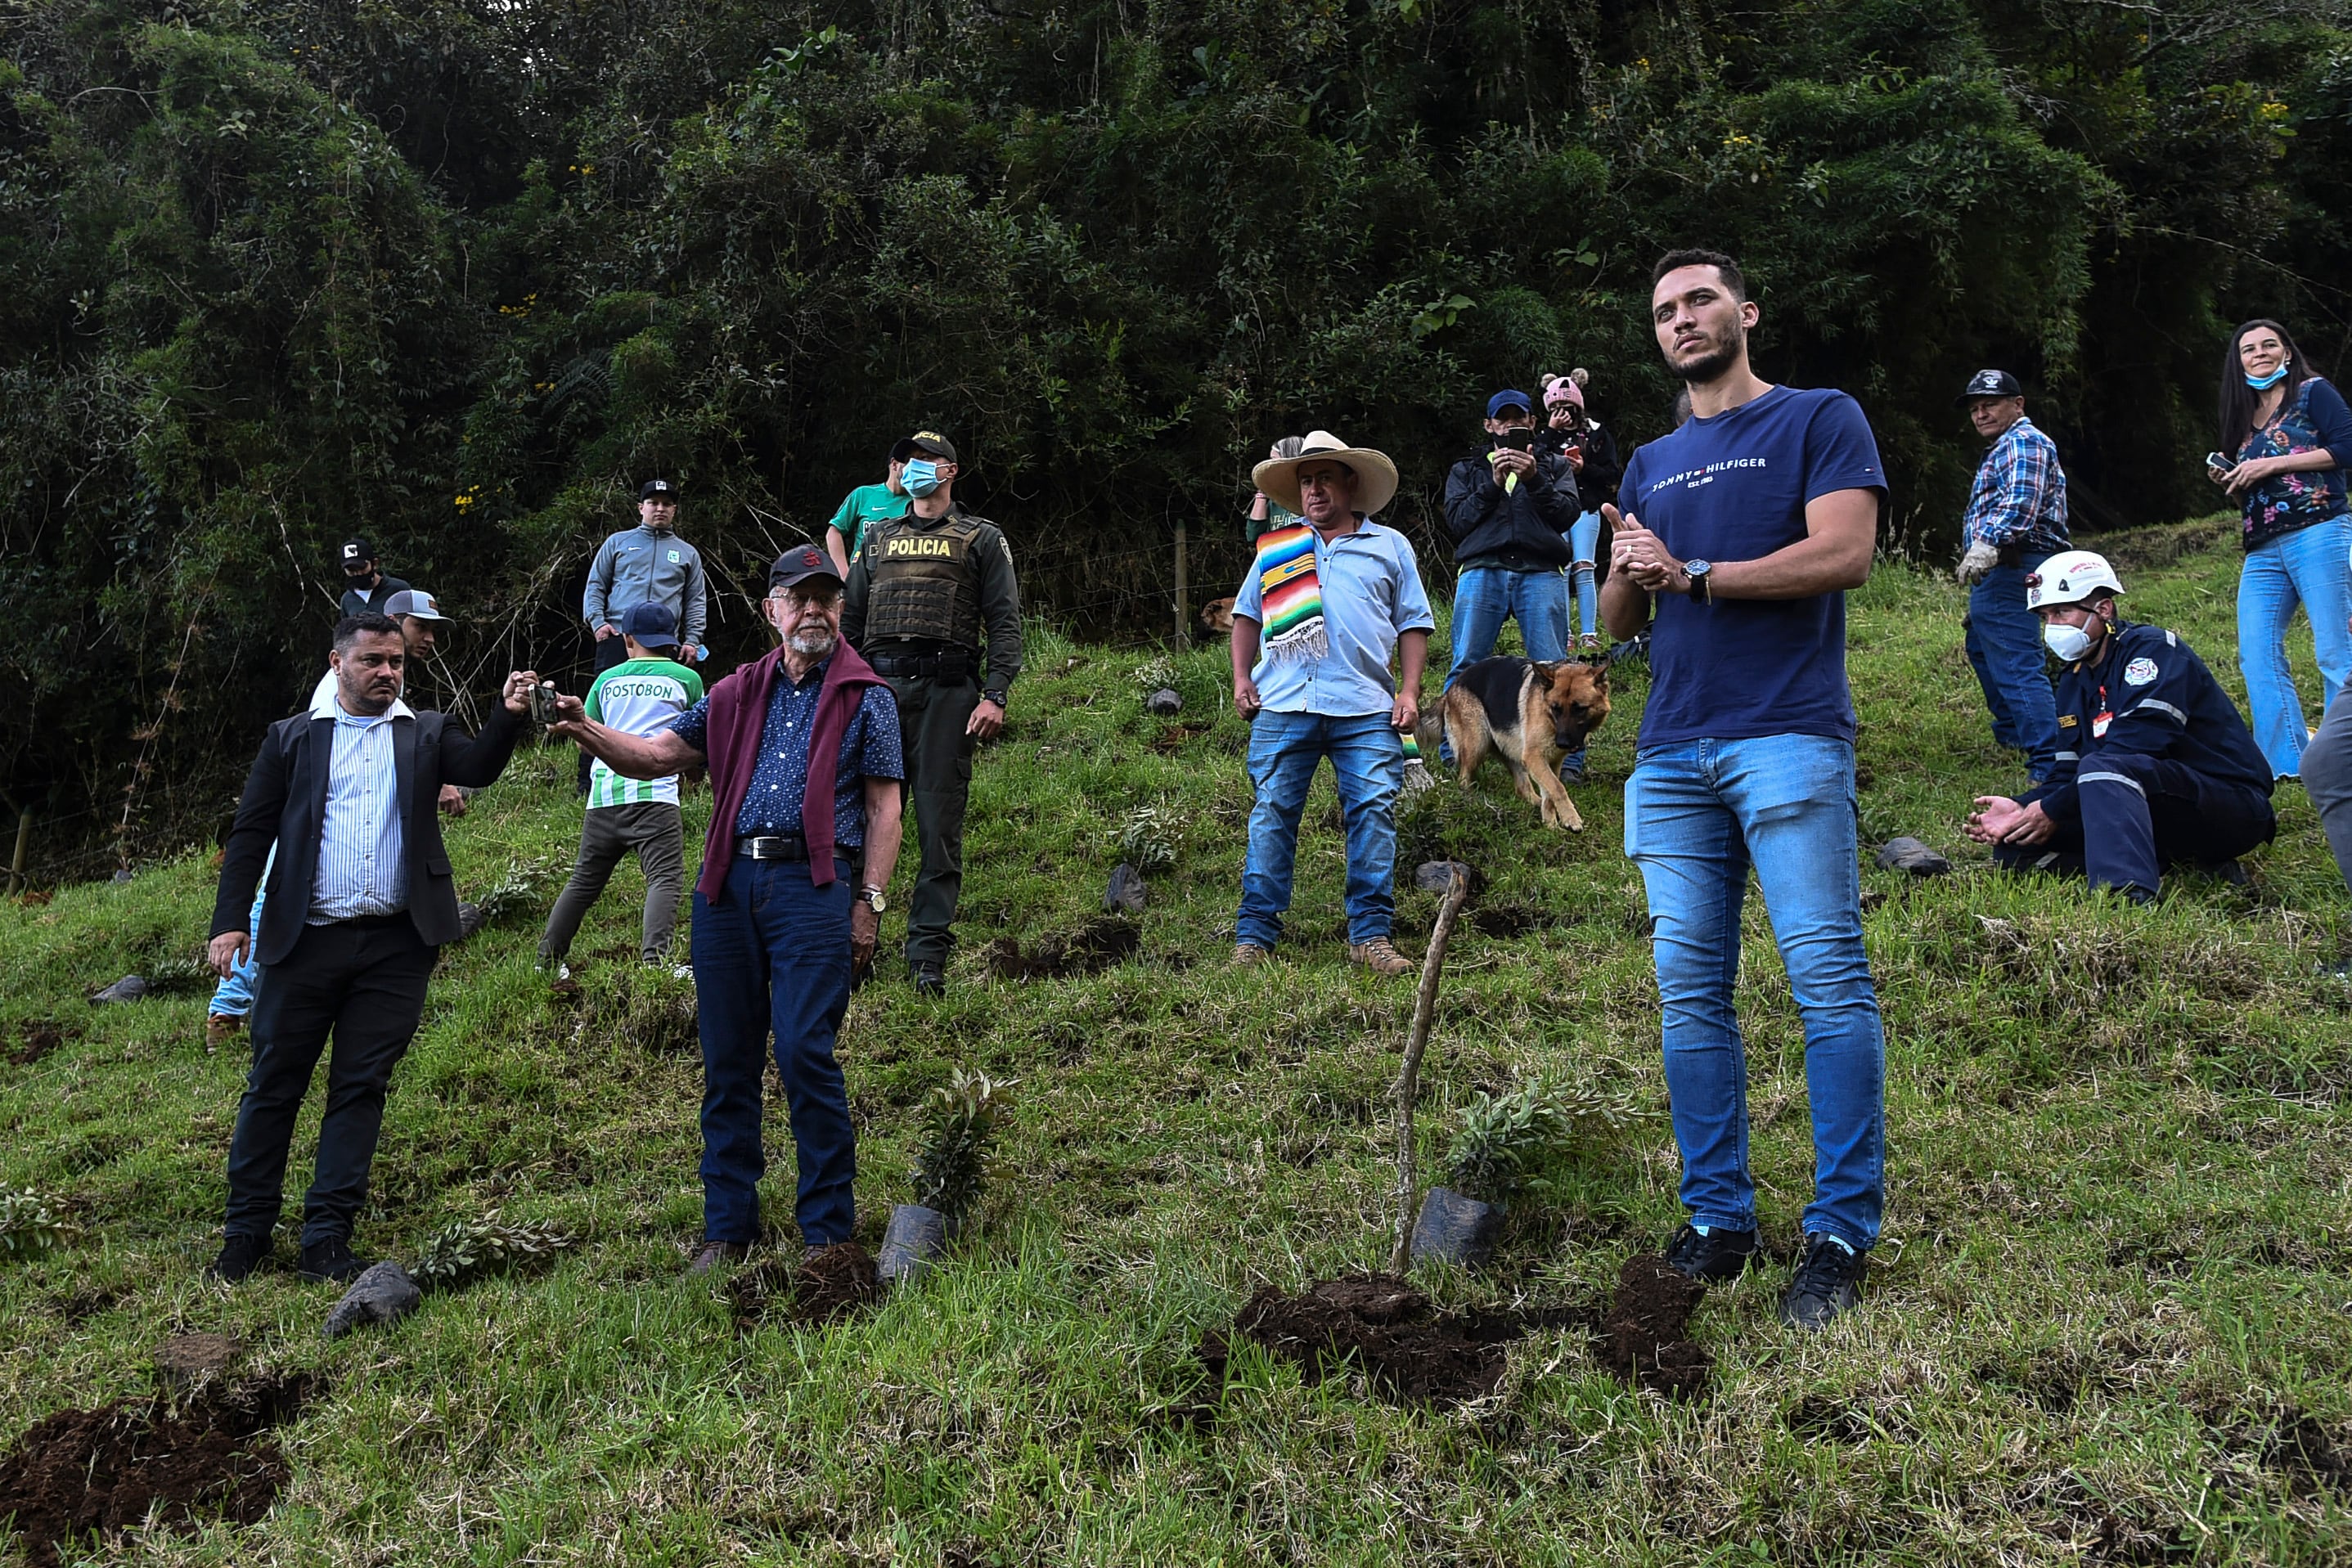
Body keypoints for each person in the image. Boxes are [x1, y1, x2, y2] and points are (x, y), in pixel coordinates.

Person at [1603, 248, 1887, 1329]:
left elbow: (1844, 553)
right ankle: (1717, 1218)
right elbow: (1620, 624)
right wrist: (1628, 563)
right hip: (1671, 748)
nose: (1681, 319)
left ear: (1743, 312)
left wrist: (1701, 575)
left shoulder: (1817, 419)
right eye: (1664, 308)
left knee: (1822, 976)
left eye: (1699, 300)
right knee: (1688, 992)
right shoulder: (1648, 458)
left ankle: (1837, 1230)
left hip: (1785, 735)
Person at [552, 545, 905, 1272]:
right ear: (772, 609)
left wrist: (868, 902)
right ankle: (727, 1230)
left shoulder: (867, 695)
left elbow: (883, 806)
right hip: (726, 890)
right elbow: (654, 756)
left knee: (805, 1050)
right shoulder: (733, 693)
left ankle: (827, 1236)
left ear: (841, 609)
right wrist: (586, 729)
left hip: (815, 888)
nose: (813, 610)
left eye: (826, 599)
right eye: (798, 598)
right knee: (728, 1060)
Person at [206, 613, 537, 1283]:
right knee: (273, 1086)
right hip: (302, 943)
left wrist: (505, 715)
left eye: (396, 662)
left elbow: (477, 765)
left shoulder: (426, 733)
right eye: (373, 661)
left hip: (395, 946)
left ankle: (326, 1235)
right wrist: (230, 920)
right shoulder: (292, 739)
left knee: (360, 1088)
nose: (387, 672)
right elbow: (250, 833)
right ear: (337, 663)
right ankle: (246, 1232)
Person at [211, 590, 467, 1049]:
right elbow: (321, 756)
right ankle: (228, 1003)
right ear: (391, 623)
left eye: (430, 632)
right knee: (274, 892)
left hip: (371, 891)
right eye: (421, 628)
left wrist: (437, 777)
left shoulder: (385, 677)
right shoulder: (343, 683)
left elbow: (400, 745)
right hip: (312, 817)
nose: (428, 639)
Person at [1230, 429, 1435, 976]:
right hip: (1283, 703)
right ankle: (1254, 937)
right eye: (1305, 481)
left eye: (1323, 477)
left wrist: (1409, 691)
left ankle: (1370, 935)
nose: (1314, 490)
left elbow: (1413, 621)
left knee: (1372, 813)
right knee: (1272, 814)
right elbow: (1246, 614)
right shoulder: (1279, 547)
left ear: (1351, 482)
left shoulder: (1389, 545)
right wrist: (1239, 680)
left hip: (1365, 706)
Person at [1965, 551, 2275, 901]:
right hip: (2135, 802)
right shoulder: (2073, 679)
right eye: (2045, 616)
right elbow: (2066, 772)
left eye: (2062, 611)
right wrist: (2023, 807)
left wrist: (2052, 808)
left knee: (2104, 767)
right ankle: (2180, 865)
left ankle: (2128, 896)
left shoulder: (2153, 651)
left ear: (2104, 609)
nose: (2052, 626)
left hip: (2227, 805)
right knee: (2015, 848)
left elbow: (2138, 745)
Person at [841, 430, 1022, 997]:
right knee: (863, 822)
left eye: (924, 462)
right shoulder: (876, 539)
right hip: (879, 692)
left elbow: (1005, 620)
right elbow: (849, 622)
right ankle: (849, 945)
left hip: (948, 692)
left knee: (937, 827)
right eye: (907, 461)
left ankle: (926, 957)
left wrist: (995, 693)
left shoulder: (980, 538)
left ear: (949, 472)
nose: (912, 470)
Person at [2210, 320, 2352, 780]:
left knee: (2335, 648)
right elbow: (2253, 487)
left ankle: (2342, 758)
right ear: (2240, 362)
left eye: (2270, 344)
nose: (2260, 353)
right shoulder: (2240, 415)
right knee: (2257, 651)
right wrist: (2234, 480)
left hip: (2321, 529)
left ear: (2287, 352)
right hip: (2263, 547)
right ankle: (2286, 763)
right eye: (2249, 349)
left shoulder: (2313, 393)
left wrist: (2274, 462)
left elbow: (2347, 447)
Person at [537, 603, 707, 976]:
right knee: (664, 878)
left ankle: (546, 963)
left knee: (583, 881)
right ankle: (654, 965)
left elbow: (585, 740)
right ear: (669, 640)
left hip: (604, 796)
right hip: (656, 795)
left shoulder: (607, 680)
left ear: (628, 640)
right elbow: (699, 737)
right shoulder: (686, 679)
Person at [1954, 369, 2071, 782]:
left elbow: (2022, 501)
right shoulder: (2005, 446)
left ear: (2018, 404)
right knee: (1983, 646)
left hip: (2016, 562)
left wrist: (1987, 544)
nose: (1981, 413)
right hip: (2008, 566)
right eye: (1976, 408)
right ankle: (2017, 735)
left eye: (1991, 404)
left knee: (2016, 659)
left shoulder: (2025, 441)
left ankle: (2049, 760)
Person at [585, 478, 708, 674]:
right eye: (653, 503)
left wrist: (692, 640)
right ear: (641, 508)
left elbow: (696, 601)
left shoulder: (688, 553)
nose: (660, 508)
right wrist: (598, 623)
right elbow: (596, 585)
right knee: (610, 701)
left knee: (660, 703)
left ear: (674, 510)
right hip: (620, 637)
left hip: (665, 641)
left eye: (666, 504)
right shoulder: (618, 542)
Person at [1540, 371, 1622, 653]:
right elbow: (1534, 460)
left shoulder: (1597, 433)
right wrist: (1550, 431)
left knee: (1584, 567)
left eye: (1567, 408)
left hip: (1586, 506)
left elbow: (1612, 472)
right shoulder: (1545, 436)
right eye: (1556, 409)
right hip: (1555, 507)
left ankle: (1589, 632)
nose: (1562, 414)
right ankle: (1564, 633)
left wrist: (1583, 468)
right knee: (1560, 569)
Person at [824, 447, 910, 578]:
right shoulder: (863, 494)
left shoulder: (920, 503)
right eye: (911, 465)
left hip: (899, 581)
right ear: (894, 464)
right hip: (861, 578)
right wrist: (844, 574)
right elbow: (834, 532)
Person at [1244, 437, 1307, 542]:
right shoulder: (1276, 500)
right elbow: (1253, 535)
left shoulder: (1311, 496)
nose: (1270, 466)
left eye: (1274, 461)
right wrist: (1262, 491)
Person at [338, 538, 408, 619]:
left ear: (375, 564)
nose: (358, 573)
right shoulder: (347, 600)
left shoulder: (398, 590)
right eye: (351, 570)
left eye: (362, 568)